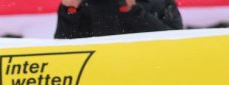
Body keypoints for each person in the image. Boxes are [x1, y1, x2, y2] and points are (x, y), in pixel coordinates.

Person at [54, 0, 183, 39]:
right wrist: (70, 10)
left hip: (148, 73)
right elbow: (63, 46)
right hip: (99, 77)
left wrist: (133, 11)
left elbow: (175, 40)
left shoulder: (160, 2)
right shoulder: (87, 5)